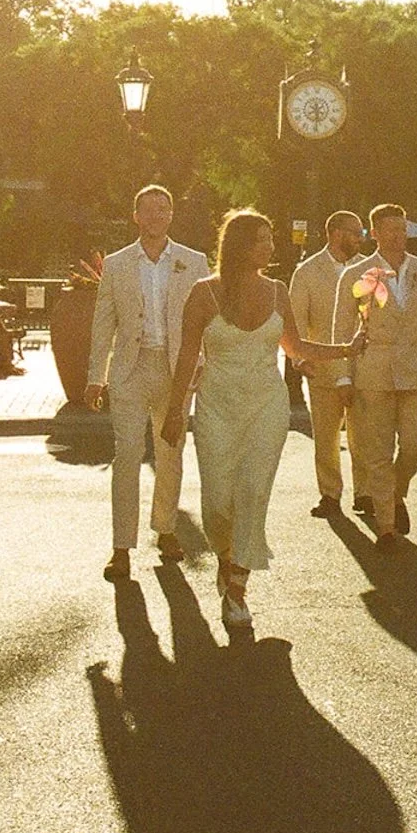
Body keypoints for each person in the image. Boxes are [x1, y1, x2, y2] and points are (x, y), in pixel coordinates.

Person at [162, 209, 357, 632]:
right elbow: (186, 356)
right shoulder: (202, 293)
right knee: (217, 502)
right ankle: (226, 555)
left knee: (252, 491)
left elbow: (297, 348)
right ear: (239, 246)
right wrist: (177, 411)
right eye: (262, 239)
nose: (271, 247)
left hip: (267, 407)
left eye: (271, 239)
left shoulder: (276, 291)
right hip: (216, 405)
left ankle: (237, 588)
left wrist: (346, 348)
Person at [87, 185, 212, 582]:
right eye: (150, 209)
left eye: (165, 208)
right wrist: (95, 377)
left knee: (170, 452)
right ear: (136, 216)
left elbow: (207, 319)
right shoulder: (118, 263)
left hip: (176, 371)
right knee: (126, 455)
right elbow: (103, 323)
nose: (158, 215)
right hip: (130, 369)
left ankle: (167, 530)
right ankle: (121, 547)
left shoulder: (193, 262)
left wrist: (204, 367)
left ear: (171, 216)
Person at [333, 203, 417, 548]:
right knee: (378, 451)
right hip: (374, 370)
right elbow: (342, 327)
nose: (399, 236)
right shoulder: (357, 274)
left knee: (415, 446)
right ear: (376, 234)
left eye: (403, 229)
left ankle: (396, 493)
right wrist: (343, 377)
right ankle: (386, 525)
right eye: (391, 230)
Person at [290, 211, 367, 520]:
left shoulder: (369, 269)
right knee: (326, 436)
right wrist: (298, 358)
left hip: (363, 367)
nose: (360, 238)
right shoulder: (307, 272)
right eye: (355, 232)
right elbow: (294, 320)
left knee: (364, 435)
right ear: (335, 233)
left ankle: (366, 493)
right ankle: (330, 495)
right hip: (322, 365)